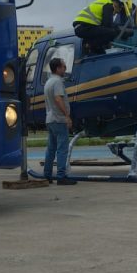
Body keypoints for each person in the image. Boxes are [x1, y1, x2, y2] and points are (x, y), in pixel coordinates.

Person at [43, 57, 77, 186]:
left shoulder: (48, 82)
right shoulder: (57, 82)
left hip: (50, 119)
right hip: (59, 119)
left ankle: (47, 175)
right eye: (63, 66)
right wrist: (67, 116)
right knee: (62, 149)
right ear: (57, 68)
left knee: (51, 149)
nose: (65, 69)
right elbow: (58, 99)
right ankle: (61, 176)